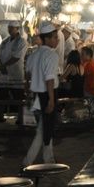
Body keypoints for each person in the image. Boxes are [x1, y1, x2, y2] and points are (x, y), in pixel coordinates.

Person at [24, 22, 61, 166]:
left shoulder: (35, 54)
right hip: (47, 94)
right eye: (55, 37)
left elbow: (26, 72)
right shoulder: (51, 55)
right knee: (43, 130)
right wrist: (51, 100)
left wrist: (27, 88)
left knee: (45, 128)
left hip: (37, 95)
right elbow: (50, 79)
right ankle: (28, 162)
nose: (57, 40)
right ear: (47, 39)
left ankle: (48, 158)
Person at [0, 21, 27, 122]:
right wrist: (0, 64)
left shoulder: (22, 41)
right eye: (9, 28)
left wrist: (4, 65)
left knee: (18, 96)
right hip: (3, 74)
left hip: (15, 72)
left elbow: (17, 57)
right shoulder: (5, 41)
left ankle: (20, 117)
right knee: (1, 95)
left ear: (17, 29)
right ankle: (0, 116)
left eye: (12, 28)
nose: (9, 30)